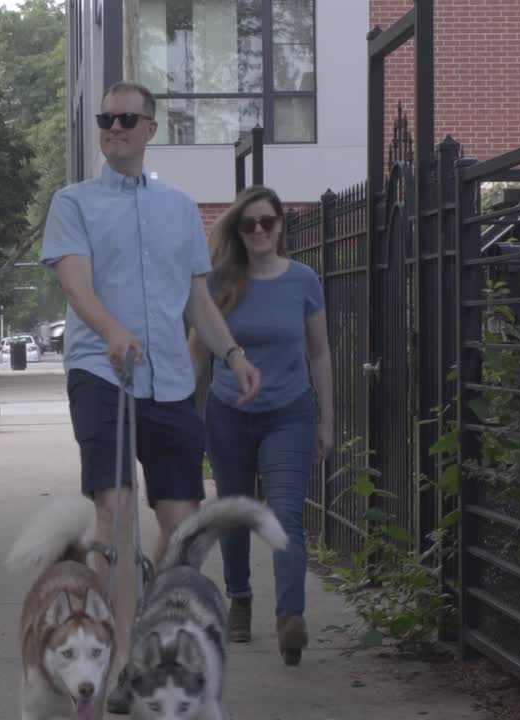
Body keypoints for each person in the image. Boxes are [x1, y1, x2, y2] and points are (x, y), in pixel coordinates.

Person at [40, 80, 263, 714]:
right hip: (100, 370)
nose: (113, 127)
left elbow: (198, 301)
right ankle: (120, 663)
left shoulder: (180, 209)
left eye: (126, 119)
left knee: (183, 527)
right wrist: (112, 331)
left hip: (167, 378)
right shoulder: (72, 202)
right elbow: (77, 286)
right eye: (106, 119)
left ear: (149, 129)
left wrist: (234, 356)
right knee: (116, 513)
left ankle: (143, 610)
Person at [189, 185, 334, 667]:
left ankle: (290, 616)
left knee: (286, 515)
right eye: (248, 224)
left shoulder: (304, 280)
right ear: (238, 230)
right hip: (228, 414)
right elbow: (197, 348)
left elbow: (319, 352)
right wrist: (187, 412)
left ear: (280, 226)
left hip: (290, 413)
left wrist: (327, 419)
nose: (258, 232)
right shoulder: (218, 281)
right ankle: (240, 596)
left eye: (266, 223)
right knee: (235, 510)